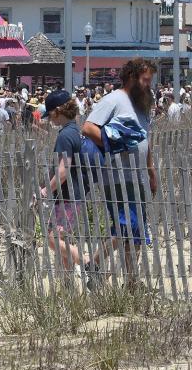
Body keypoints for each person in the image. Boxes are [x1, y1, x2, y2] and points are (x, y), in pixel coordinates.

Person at [82, 59, 158, 279]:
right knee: (129, 228)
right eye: (145, 80)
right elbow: (88, 128)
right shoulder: (114, 99)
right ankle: (94, 262)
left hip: (138, 177)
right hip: (117, 176)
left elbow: (146, 140)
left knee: (136, 232)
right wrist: (115, 145)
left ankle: (132, 281)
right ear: (132, 78)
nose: (148, 85)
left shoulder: (141, 104)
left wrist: (151, 171)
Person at [39, 90, 90, 274]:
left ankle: (89, 263)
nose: (50, 119)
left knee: (52, 238)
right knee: (63, 240)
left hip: (68, 195)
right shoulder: (76, 130)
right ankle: (67, 287)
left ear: (57, 111)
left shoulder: (65, 135)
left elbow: (63, 171)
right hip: (74, 194)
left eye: (50, 114)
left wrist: (45, 191)